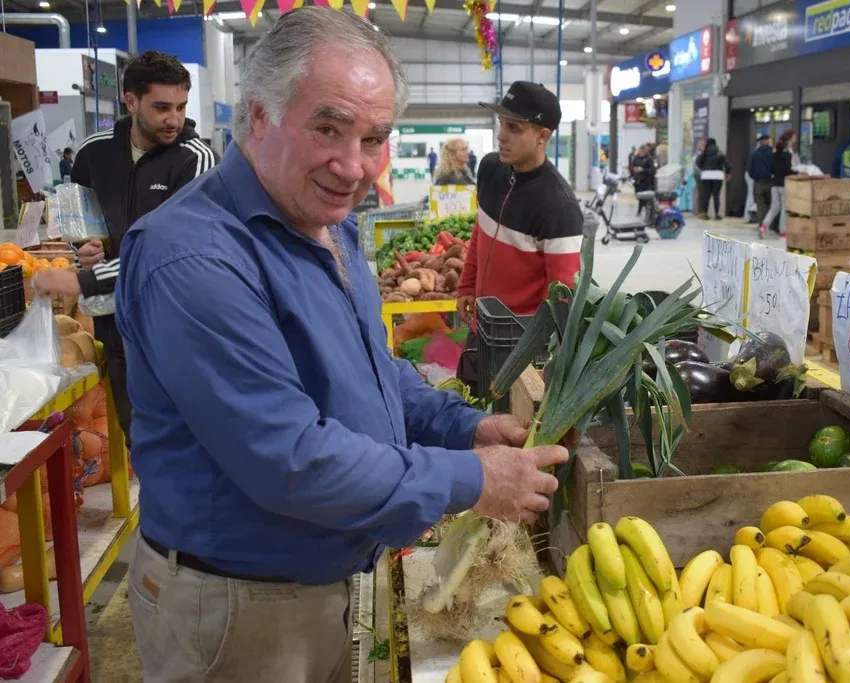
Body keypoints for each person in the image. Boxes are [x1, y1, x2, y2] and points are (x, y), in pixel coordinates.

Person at [113, 10, 568, 681]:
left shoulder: (328, 226)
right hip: (237, 610)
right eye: (328, 128)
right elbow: (290, 458)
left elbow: (372, 370)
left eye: (374, 139)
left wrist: (463, 426)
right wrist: (473, 480)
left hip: (320, 583)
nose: (353, 166)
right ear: (259, 114)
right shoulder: (193, 257)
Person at [33, 50, 215, 447]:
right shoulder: (93, 154)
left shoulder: (196, 160)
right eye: (162, 107)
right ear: (131, 102)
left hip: (177, 327)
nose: (174, 119)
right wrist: (83, 251)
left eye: (181, 107)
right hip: (115, 327)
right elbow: (78, 224)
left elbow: (170, 251)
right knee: (141, 442)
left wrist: (84, 280)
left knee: (189, 447)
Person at [455, 81, 583, 393]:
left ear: (543, 136)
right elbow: (481, 231)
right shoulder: (490, 169)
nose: (502, 136)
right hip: (480, 328)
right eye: (501, 123)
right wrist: (467, 285)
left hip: (520, 347)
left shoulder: (558, 207)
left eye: (514, 128)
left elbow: (563, 295)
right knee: (466, 408)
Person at [760, 130, 798, 239]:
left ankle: (764, 226)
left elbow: (772, 169)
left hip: (775, 184)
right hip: (784, 185)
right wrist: (797, 173)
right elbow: (787, 170)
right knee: (784, 209)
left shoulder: (774, 154)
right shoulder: (788, 155)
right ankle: (783, 231)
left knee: (774, 208)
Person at [695, 138, 730, 221]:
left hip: (706, 175)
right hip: (718, 175)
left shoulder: (704, 153)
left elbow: (698, 163)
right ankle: (717, 214)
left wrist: (704, 168)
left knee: (706, 195)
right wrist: (727, 172)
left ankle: (705, 214)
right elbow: (727, 164)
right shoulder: (719, 152)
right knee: (716, 195)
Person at [748, 135, 774, 226]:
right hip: (770, 181)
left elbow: (750, 169)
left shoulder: (754, 153)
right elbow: (775, 167)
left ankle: (761, 223)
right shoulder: (772, 153)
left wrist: (755, 177)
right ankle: (768, 224)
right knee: (770, 203)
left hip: (758, 182)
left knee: (760, 204)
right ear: (767, 142)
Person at [631, 143, 656, 216]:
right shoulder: (636, 157)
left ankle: (641, 210)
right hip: (637, 179)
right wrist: (634, 169)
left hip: (645, 180)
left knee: (643, 196)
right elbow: (633, 165)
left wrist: (643, 170)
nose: (641, 153)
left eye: (643, 152)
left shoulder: (649, 159)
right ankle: (643, 209)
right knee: (638, 195)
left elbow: (652, 170)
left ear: (645, 151)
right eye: (640, 151)